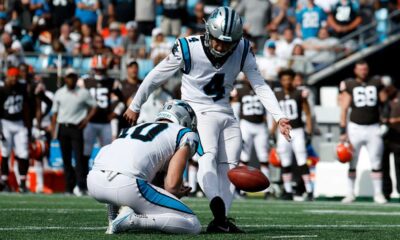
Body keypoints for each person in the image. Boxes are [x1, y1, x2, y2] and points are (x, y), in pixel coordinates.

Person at [124, 6, 291, 233]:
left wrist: (279, 116)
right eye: (217, 41)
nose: (222, 47)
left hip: (226, 112)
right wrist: (135, 104)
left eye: (228, 42)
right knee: (207, 158)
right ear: (207, 31)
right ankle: (219, 215)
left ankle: (221, 222)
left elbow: (259, 85)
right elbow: (155, 76)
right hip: (198, 113)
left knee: (231, 168)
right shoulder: (189, 47)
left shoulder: (241, 48)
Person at [88, 99, 201, 234]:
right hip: (127, 185)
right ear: (185, 119)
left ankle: (113, 216)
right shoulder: (185, 133)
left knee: (121, 165)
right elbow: (171, 186)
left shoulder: (134, 128)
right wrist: (176, 192)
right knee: (192, 224)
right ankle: (133, 220)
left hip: (94, 180)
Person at [339, 60, 387, 204]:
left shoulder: (377, 81)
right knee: (352, 161)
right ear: (355, 70)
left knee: (376, 161)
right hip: (355, 127)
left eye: (365, 69)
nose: (363, 72)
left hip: (373, 127)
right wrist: (343, 129)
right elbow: (344, 108)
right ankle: (350, 193)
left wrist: (384, 121)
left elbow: (384, 102)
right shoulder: (349, 84)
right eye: (360, 69)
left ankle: (378, 193)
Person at [79, 55, 124, 195]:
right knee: (85, 152)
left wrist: (115, 114)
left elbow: (122, 101)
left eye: (101, 69)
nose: (98, 71)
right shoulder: (84, 81)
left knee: (107, 153)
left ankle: (105, 183)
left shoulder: (112, 82)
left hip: (105, 122)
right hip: (90, 122)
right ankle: (82, 184)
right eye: (96, 69)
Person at [51, 68, 97, 195]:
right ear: (65, 78)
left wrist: (87, 119)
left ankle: (81, 186)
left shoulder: (83, 92)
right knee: (66, 160)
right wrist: (53, 128)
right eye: (69, 77)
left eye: (73, 77)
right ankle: (68, 187)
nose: (71, 79)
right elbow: (55, 113)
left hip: (77, 128)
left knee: (79, 158)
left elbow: (94, 106)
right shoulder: (59, 93)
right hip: (63, 128)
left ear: (76, 78)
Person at [271, 68, 313, 201]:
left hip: (298, 130)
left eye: (289, 79)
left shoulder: (300, 92)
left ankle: (309, 190)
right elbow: (275, 114)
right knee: (285, 161)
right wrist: (272, 131)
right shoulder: (277, 93)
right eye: (284, 79)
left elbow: (307, 112)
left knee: (302, 159)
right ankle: (288, 190)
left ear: (293, 79)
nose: (287, 82)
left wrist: (309, 130)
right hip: (283, 131)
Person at [231, 76, 270, 198]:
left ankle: (266, 190)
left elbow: (268, 110)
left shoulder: (263, 89)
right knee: (244, 156)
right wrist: (236, 128)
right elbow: (235, 110)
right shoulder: (239, 90)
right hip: (246, 124)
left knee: (264, 157)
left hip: (261, 126)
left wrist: (270, 128)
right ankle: (242, 188)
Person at [0, 67, 31, 192]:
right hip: (5, 123)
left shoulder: (22, 87)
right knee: (5, 153)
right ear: (7, 77)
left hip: (19, 123)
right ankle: (5, 181)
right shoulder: (2, 90)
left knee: (23, 153)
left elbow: (27, 106)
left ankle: (22, 182)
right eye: (11, 76)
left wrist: (29, 126)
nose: (13, 79)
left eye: (15, 76)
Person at [381, 84, 400, 201]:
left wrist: (395, 120)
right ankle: (386, 192)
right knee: (384, 165)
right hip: (384, 137)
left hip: (398, 136)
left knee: (399, 165)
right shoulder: (382, 99)